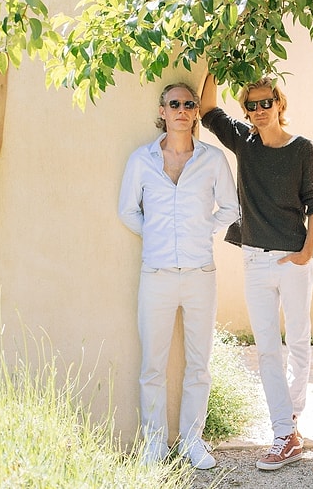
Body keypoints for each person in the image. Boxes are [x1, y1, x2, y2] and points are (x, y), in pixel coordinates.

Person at [199, 73, 313, 471]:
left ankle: (292, 418)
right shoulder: (244, 141)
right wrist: (216, 61)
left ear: (279, 103)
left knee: (300, 340)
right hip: (254, 258)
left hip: (293, 259)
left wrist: (307, 252)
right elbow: (206, 109)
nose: (258, 111)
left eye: (265, 103)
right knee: (268, 348)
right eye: (251, 106)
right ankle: (284, 433)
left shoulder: (304, 150)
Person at [118, 82, 240, 469]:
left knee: (198, 362)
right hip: (156, 273)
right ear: (163, 110)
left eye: (189, 104)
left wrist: (200, 231)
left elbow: (231, 208)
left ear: (195, 112)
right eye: (175, 104)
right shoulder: (142, 160)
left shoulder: (212, 159)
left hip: (200, 272)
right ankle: (154, 442)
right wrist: (157, 236)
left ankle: (192, 440)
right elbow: (128, 212)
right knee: (153, 363)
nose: (183, 109)